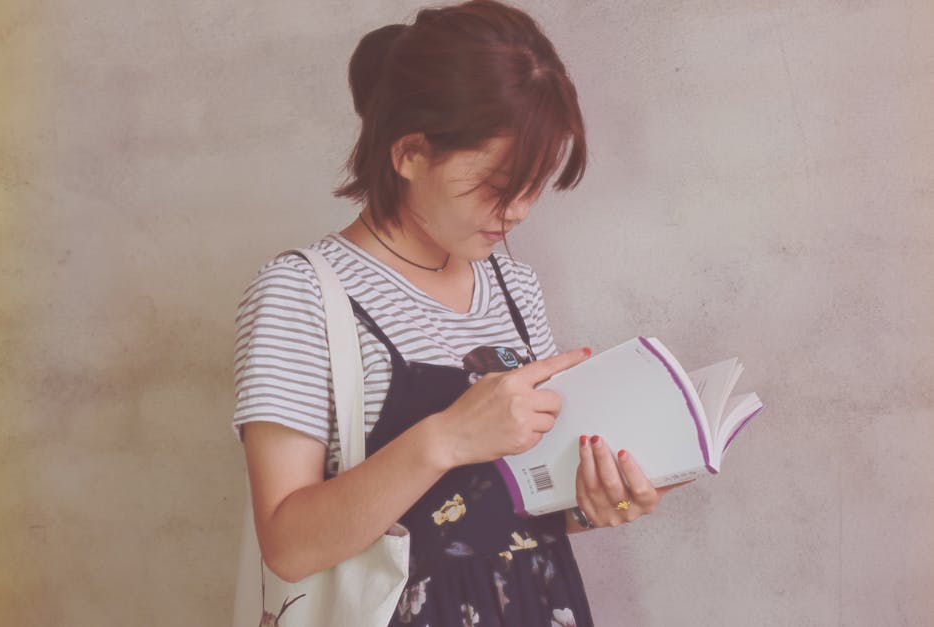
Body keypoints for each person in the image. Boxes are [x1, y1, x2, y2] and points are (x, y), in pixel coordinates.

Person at [233, 1, 681, 624]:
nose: (520, 211)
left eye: (535, 186)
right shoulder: (303, 293)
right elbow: (287, 545)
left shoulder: (515, 287)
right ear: (411, 153)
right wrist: (446, 439)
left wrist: (597, 503)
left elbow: (507, 510)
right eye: (500, 187)